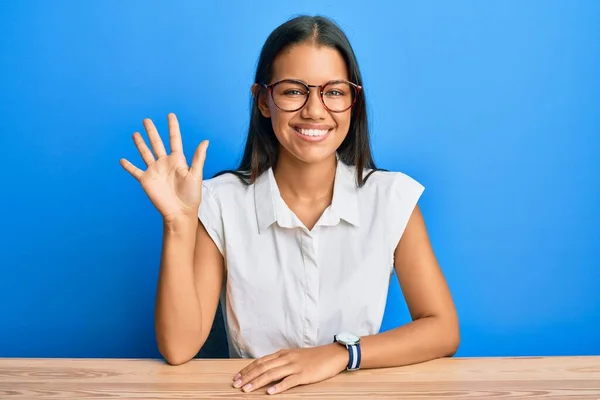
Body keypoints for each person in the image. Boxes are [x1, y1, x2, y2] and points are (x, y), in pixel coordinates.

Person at [120, 14, 459, 396]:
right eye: (293, 91)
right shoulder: (220, 201)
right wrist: (178, 225)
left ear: (353, 102)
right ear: (264, 101)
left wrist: (339, 354)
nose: (315, 110)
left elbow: (442, 328)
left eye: (334, 91)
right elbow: (179, 349)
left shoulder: (392, 198)